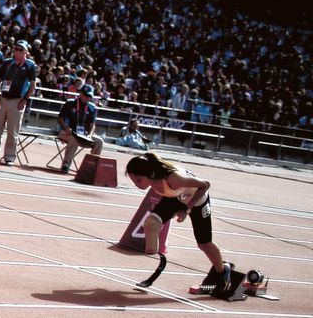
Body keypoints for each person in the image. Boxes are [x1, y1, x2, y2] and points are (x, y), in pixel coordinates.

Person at [126, 152, 234, 289]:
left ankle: (223, 271)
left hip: (197, 200)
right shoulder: (152, 178)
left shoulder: (173, 178)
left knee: (204, 243)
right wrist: (163, 210)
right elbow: (167, 195)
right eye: (133, 181)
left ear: (147, 173)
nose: (136, 185)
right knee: (151, 223)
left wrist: (186, 209)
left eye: (138, 180)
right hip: (177, 197)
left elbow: (205, 185)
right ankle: (155, 257)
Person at [0, 39, 37, 165]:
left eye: (20, 49)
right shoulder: (6, 63)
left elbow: (33, 85)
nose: (17, 51)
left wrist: (25, 100)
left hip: (17, 101)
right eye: (16, 48)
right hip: (3, 99)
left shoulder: (30, 65)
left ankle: (9, 157)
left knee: (13, 131)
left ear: (26, 52)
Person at [56, 84, 103, 173]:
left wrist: (90, 133)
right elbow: (60, 119)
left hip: (83, 135)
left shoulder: (91, 107)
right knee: (74, 139)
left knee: (99, 141)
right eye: (85, 95)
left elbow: (92, 125)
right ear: (80, 93)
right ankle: (66, 165)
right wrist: (66, 128)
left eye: (89, 96)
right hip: (67, 132)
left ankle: (91, 167)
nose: (87, 98)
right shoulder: (70, 103)